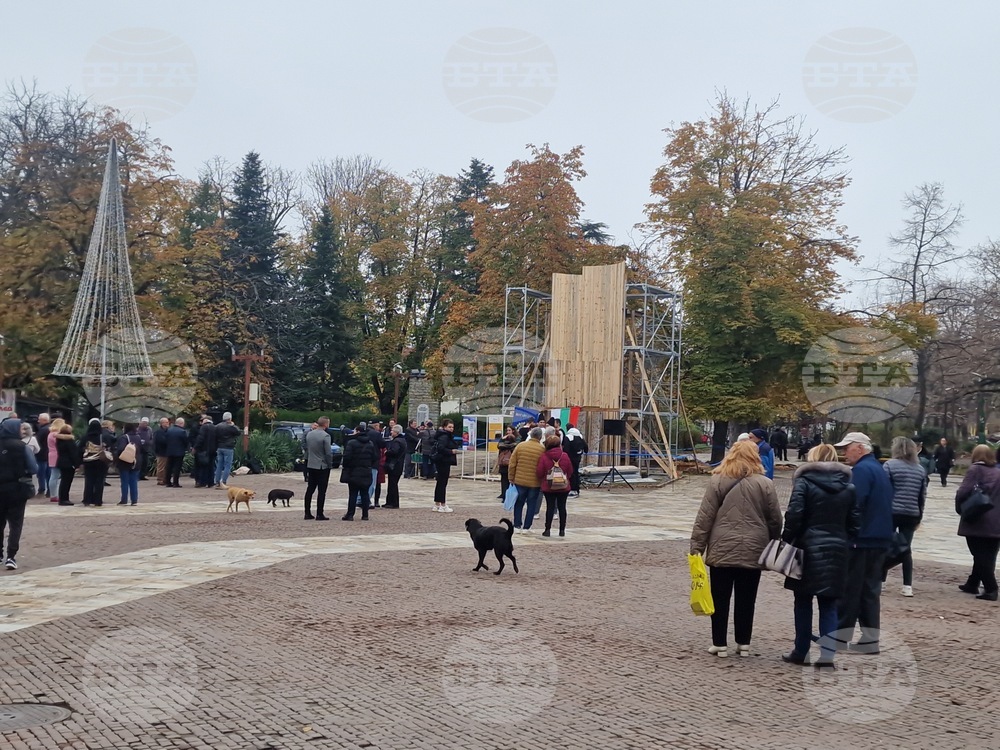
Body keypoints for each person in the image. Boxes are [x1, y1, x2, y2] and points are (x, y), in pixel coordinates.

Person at [689, 440, 782, 658]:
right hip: (754, 548)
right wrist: (774, 540)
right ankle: (744, 643)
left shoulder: (717, 480)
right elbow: (775, 518)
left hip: (722, 546)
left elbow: (705, 517)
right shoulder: (765, 484)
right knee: (747, 599)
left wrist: (697, 547)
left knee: (719, 598)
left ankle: (719, 643)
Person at [779, 443, 860, 668]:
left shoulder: (804, 483)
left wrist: (787, 539)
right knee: (829, 604)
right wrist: (845, 541)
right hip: (837, 550)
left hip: (807, 549)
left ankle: (801, 650)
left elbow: (794, 515)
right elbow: (855, 522)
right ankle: (827, 655)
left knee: (803, 601)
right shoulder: (849, 488)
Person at [832, 432, 894, 654]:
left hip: (862, 539)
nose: (844, 453)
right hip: (878, 538)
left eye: (847, 448)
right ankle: (869, 640)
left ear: (859, 448)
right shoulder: (877, 468)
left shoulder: (862, 471)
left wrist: (847, 530)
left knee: (850, 590)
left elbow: (854, 504)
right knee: (869, 591)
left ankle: (840, 637)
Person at [882, 436, 927, 597]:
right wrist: (919, 516)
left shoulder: (889, 465)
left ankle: (881, 580)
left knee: (885, 546)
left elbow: (884, 490)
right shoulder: (920, 469)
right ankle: (907, 585)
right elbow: (922, 495)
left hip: (891, 511)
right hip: (911, 513)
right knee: (905, 549)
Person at [954, 444, 1000, 601]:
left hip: (978, 518)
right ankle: (973, 582)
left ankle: (991, 588)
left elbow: (963, 491)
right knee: (989, 555)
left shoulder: (975, 469)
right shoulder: (998, 472)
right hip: (996, 521)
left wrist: (960, 508)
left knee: (979, 554)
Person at [0, 418, 39, 570]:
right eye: (21, 428)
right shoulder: (22, 447)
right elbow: (33, 468)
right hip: (17, 488)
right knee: (16, 524)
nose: (23, 431)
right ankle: (11, 556)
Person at [508, 426, 546, 533]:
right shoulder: (542, 449)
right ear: (540, 437)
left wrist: (511, 477)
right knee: (531, 504)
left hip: (519, 480)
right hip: (535, 482)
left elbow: (512, 463)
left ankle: (517, 525)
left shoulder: (520, 446)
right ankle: (527, 527)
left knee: (519, 503)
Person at [537, 434, 573, 537]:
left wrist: (544, 479)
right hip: (563, 486)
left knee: (550, 507)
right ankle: (562, 530)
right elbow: (570, 470)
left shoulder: (544, 456)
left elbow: (539, 472)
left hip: (548, 486)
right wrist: (565, 478)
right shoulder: (564, 456)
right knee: (562, 507)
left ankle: (547, 529)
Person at [340, 422, 377, 521]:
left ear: (357, 431)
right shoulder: (370, 443)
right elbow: (374, 457)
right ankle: (365, 515)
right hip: (366, 471)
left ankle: (350, 514)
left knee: (353, 494)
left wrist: (347, 466)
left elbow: (347, 457)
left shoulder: (352, 443)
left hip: (354, 471)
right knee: (365, 493)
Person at [303, 417, 332, 520]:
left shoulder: (310, 434)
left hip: (311, 464)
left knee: (310, 489)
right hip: (322, 465)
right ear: (326, 424)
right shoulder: (325, 436)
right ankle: (320, 513)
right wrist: (330, 464)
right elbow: (328, 453)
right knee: (321, 491)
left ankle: (307, 512)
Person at [80, 418, 112, 506]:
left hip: (88, 461)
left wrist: (79, 462)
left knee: (89, 481)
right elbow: (110, 446)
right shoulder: (103, 436)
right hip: (101, 461)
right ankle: (98, 500)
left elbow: (80, 449)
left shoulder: (85, 437)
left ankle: (87, 499)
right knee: (100, 481)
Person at [432, 419, 458, 512]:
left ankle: (437, 504)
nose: (451, 429)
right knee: (443, 482)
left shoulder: (443, 435)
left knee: (440, 482)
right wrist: (451, 451)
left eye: (452, 427)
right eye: (449, 427)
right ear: (444, 427)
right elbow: (441, 448)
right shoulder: (444, 436)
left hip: (442, 460)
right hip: (443, 461)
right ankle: (443, 504)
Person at [114, 423, 141, 505]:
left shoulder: (124, 437)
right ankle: (134, 500)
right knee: (134, 482)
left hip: (125, 462)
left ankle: (124, 499)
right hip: (136, 461)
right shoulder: (138, 437)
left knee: (125, 481)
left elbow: (120, 449)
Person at [214, 412, 241, 489]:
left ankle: (217, 482)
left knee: (219, 465)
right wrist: (233, 425)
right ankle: (223, 481)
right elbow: (238, 432)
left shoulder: (217, 426)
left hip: (219, 447)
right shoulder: (230, 427)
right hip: (228, 447)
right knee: (227, 465)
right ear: (229, 418)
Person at [54, 423, 79, 506]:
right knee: (67, 482)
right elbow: (73, 453)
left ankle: (62, 498)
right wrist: (77, 464)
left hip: (61, 461)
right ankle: (64, 499)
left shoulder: (59, 440)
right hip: (69, 463)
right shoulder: (69, 441)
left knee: (63, 481)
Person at [384, 424, 407, 508]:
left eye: (392, 431)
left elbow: (394, 451)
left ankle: (393, 502)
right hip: (399, 465)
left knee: (392, 484)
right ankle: (390, 501)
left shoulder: (396, 441)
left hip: (394, 465)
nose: (391, 432)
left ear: (396, 432)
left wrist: (387, 452)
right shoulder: (403, 440)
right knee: (393, 483)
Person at [562, 424, 588, 498]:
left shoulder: (568, 437)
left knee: (571, 473)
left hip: (570, 458)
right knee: (576, 473)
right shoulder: (580, 436)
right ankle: (577, 489)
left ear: (567, 429)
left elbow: (566, 449)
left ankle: (572, 489)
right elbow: (586, 447)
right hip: (578, 457)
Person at [165, 417, 189, 488]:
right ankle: (175, 483)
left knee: (169, 467)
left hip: (170, 451)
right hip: (179, 452)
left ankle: (168, 482)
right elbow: (185, 441)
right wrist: (186, 448)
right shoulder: (182, 431)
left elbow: (165, 440)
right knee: (177, 468)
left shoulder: (169, 430)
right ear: (181, 423)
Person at [192, 416, 216, 488]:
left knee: (203, 466)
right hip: (213, 450)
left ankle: (202, 482)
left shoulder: (204, 427)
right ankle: (211, 482)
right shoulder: (214, 427)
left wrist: (195, 447)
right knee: (211, 467)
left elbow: (200, 438)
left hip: (204, 450)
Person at [46, 417, 66, 503]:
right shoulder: (56, 435)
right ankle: (54, 494)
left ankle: (53, 494)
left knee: (54, 475)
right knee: (55, 476)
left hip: (51, 454)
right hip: (57, 455)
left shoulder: (50, 434)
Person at [496, 426, 517, 500]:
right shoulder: (505, 441)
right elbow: (499, 446)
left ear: (513, 431)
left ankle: (506, 496)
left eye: (509, 430)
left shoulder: (514, 440)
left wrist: (502, 440)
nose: (508, 432)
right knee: (504, 479)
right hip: (504, 463)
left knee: (507, 480)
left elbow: (500, 445)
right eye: (507, 430)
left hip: (508, 463)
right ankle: (504, 494)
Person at [34, 413, 50, 496]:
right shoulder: (50, 428)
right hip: (49, 454)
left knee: (41, 473)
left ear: (44, 420)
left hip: (41, 454)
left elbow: (37, 440)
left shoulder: (43, 430)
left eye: (39, 419)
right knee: (48, 473)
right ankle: (49, 490)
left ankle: (41, 489)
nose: (38, 421)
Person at [153, 417, 171, 485]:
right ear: (162, 423)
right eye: (166, 422)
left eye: (168, 422)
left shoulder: (168, 431)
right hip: (161, 452)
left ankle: (165, 479)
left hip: (167, 451)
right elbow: (161, 441)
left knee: (166, 467)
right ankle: (160, 479)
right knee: (161, 467)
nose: (167, 423)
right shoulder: (159, 432)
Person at [136, 416, 154, 481]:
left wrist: (150, 442)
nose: (145, 424)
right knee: (139, 462)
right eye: (143, 423)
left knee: (145, 462)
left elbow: (151, 438)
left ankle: (142, 475)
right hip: (139, 449)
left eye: (146, 423)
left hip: (146, 448)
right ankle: (137, 476)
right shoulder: (137, 430)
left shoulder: (149, 430)